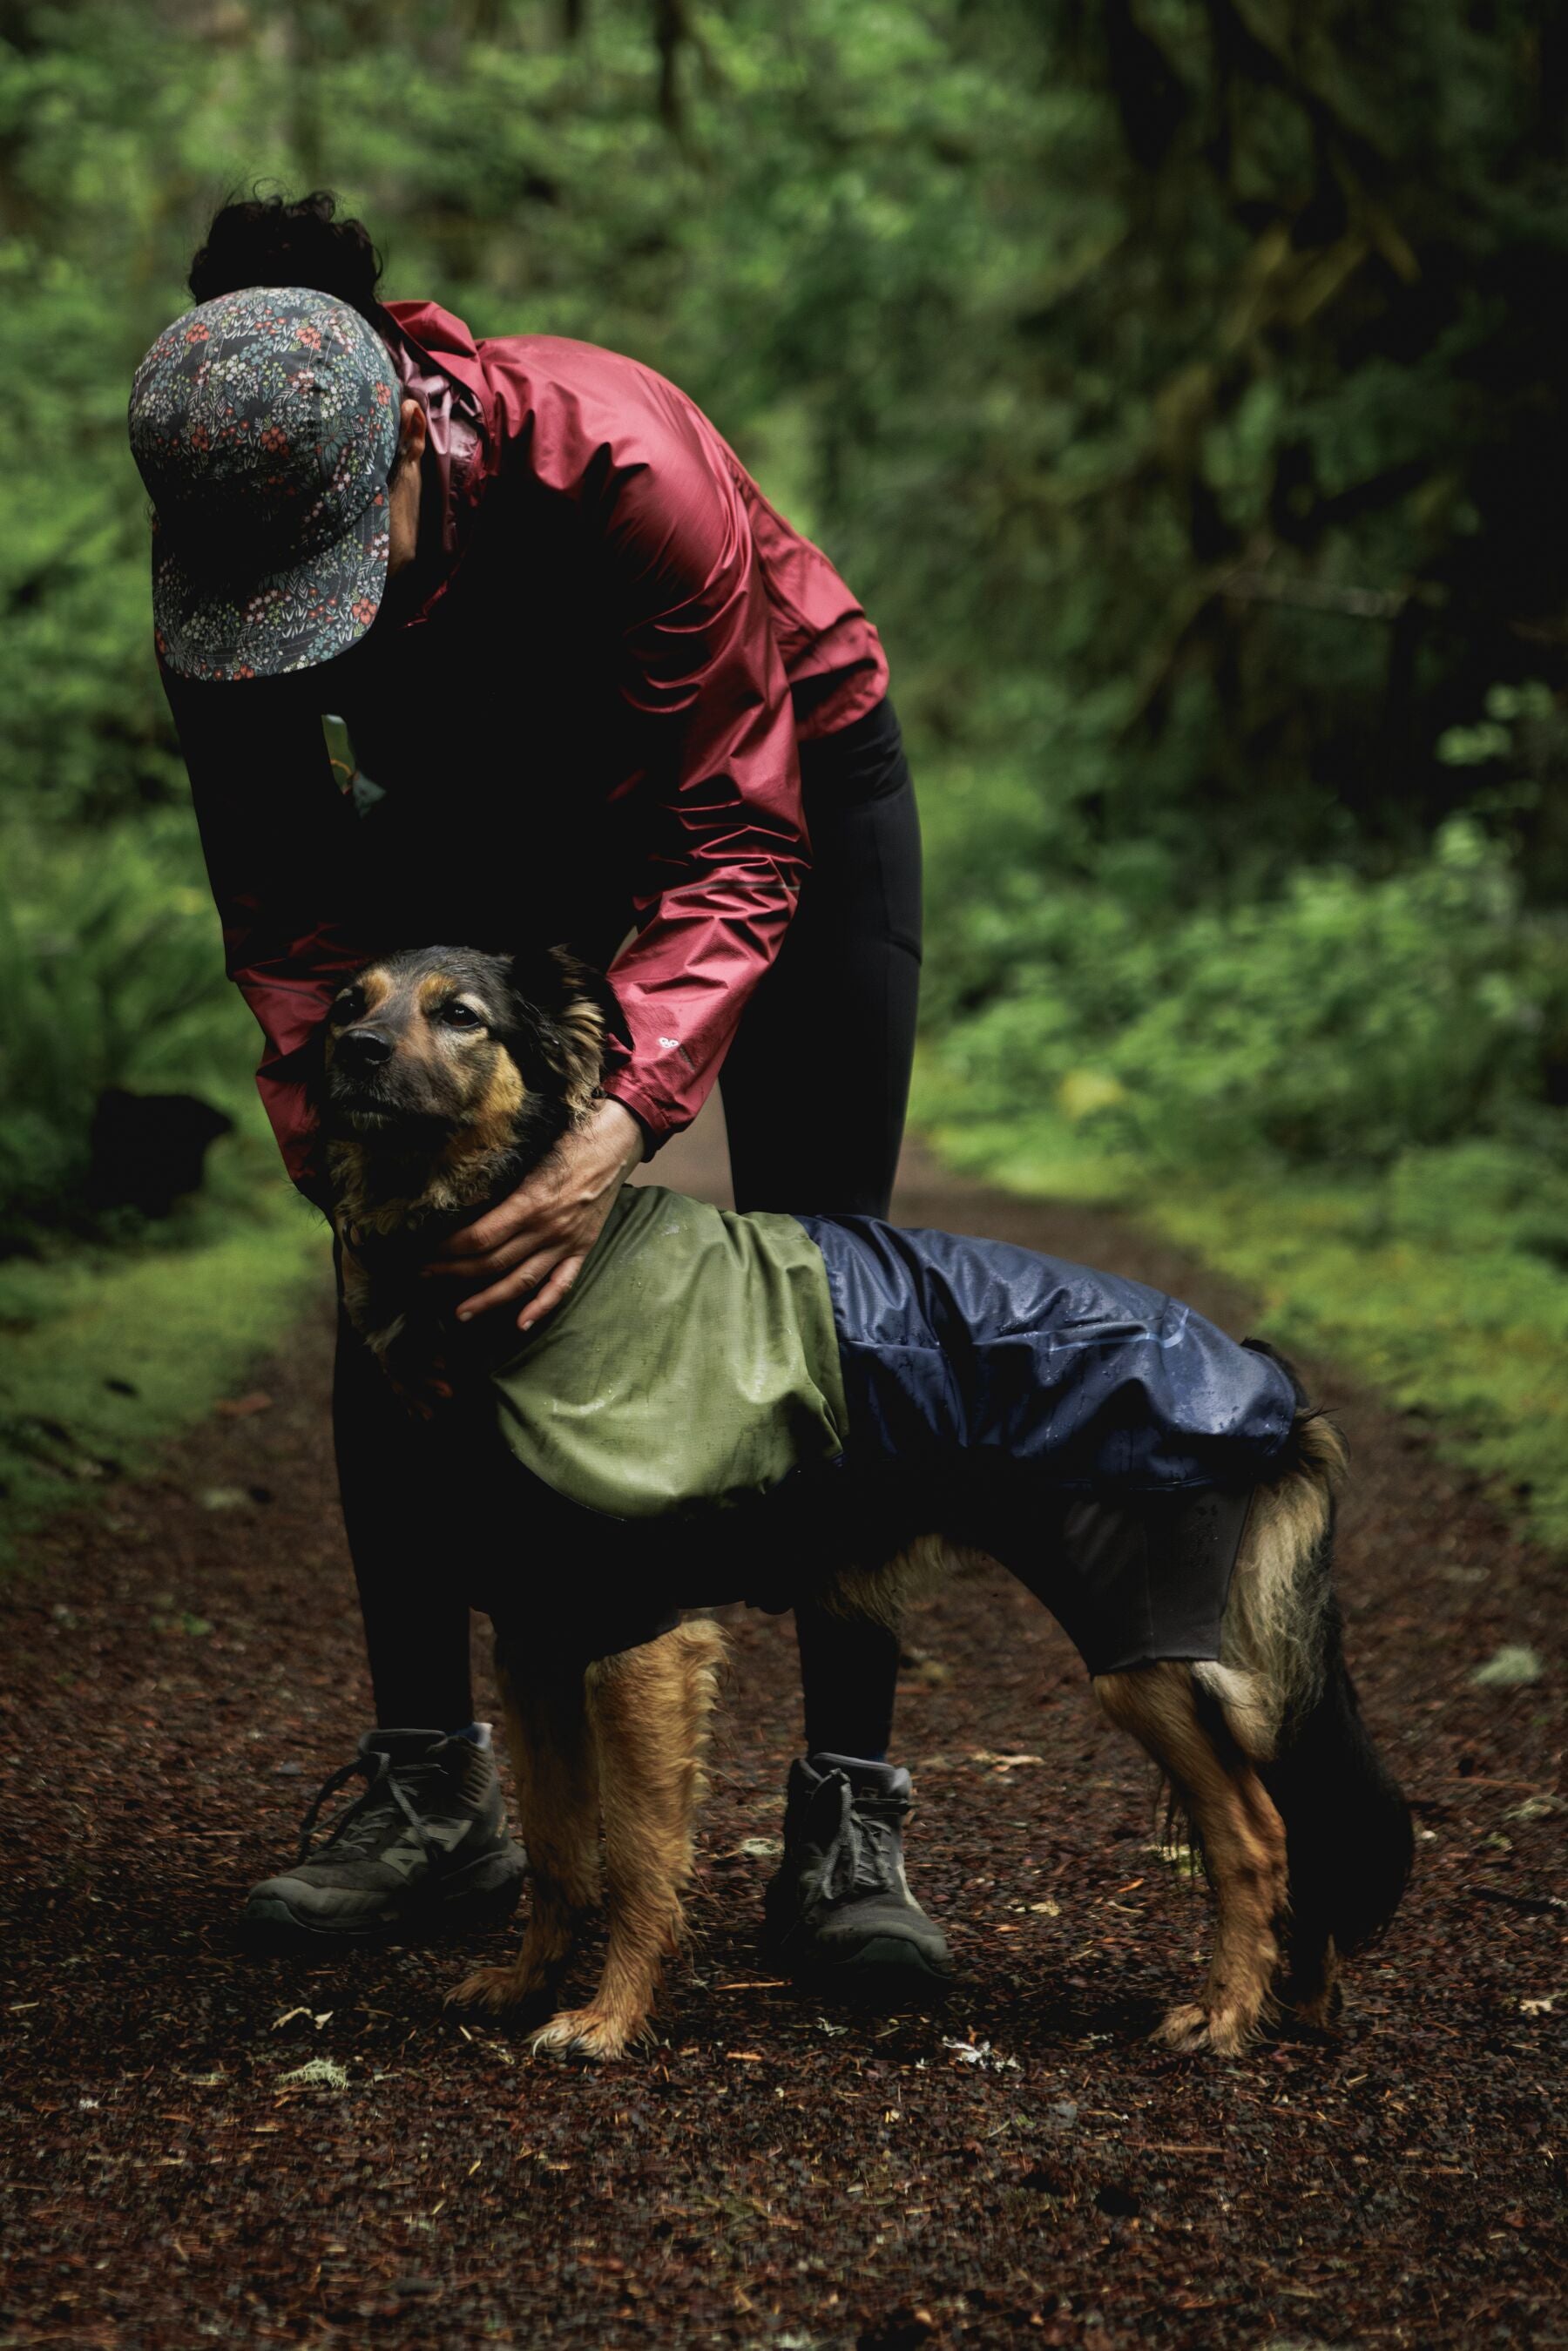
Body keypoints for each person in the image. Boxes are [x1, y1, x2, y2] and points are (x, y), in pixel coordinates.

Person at [128, 191, 947, 1990]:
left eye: (344, 583)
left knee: (830, 1271)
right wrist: (342, 1157)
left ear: (413, 443)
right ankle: (437, 1795)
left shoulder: (622, 463)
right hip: (485, 820)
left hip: (778, 773)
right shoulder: (224, 563)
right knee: (398, 1250)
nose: (308, 640)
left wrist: (618, 1125)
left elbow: (735, 839)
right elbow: (279, 899)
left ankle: (848, 1807)